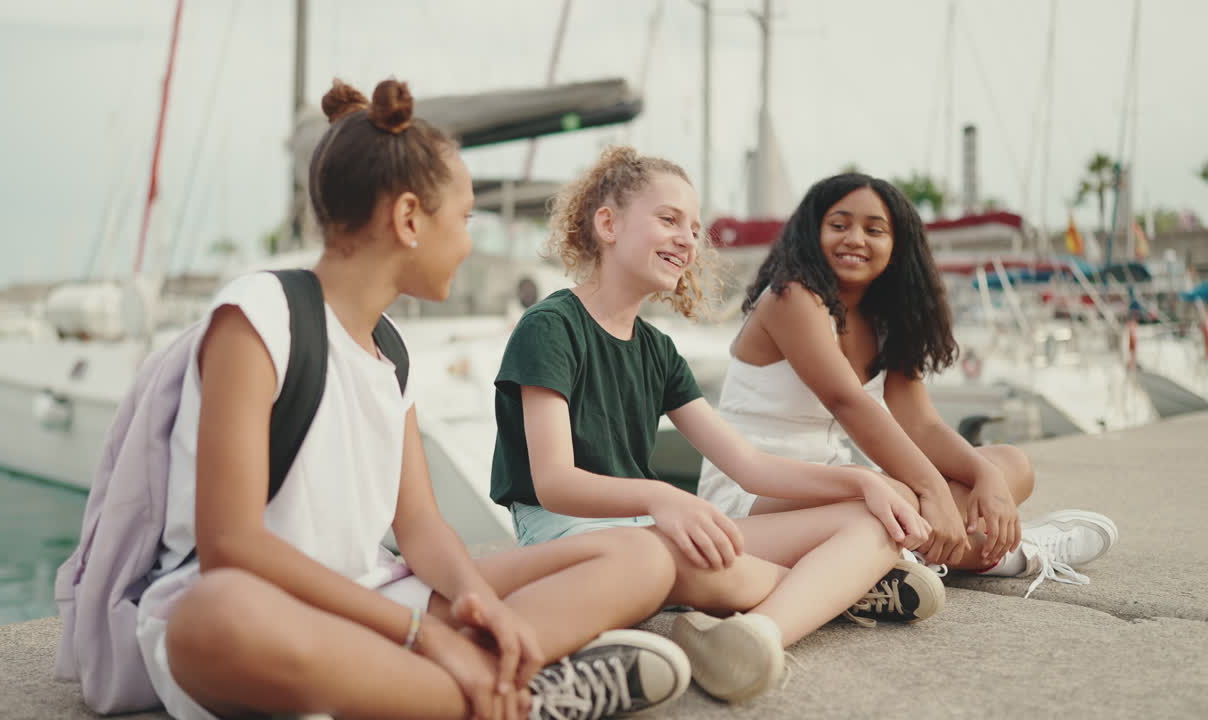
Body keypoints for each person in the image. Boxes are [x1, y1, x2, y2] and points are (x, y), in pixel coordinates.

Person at [137, 79, 695, 720]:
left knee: (640, 557)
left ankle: (467, 686)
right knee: (213, 619)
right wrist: (423, 633)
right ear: (408, 219)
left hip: (373, 597)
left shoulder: (390, 349)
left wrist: (469, 600)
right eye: (462, 219)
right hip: (268, 607)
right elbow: (231, 542)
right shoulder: (259, 318)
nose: (467, 241)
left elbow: (421, 527)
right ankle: (511, 697)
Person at [489, 147, 944, 705]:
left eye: (695, 227)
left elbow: (749, 466)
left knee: (874, 517)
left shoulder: (656, 350)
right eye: (668, 219)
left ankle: (755, 635)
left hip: (651, 533)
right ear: (606, 224)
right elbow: (554, 481)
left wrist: (864, 481)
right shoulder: (550, 328)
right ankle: (833, 593)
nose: (687, 238)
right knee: (742, 572)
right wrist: (663, 497)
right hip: (577, 538)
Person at [699, 172, 1118, 599]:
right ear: (812, 233)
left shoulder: (886, 320)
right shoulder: (791, 297)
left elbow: (921, 427)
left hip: (834, 481)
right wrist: (932, 491)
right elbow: (849, 403)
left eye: (874, 229)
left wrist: (985, 475)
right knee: (896, 492)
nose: (855, 239)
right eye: (839, 225)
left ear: (898, 244)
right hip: (753, 493)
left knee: (1010, 465)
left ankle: (909, 558)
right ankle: (1017, 553)